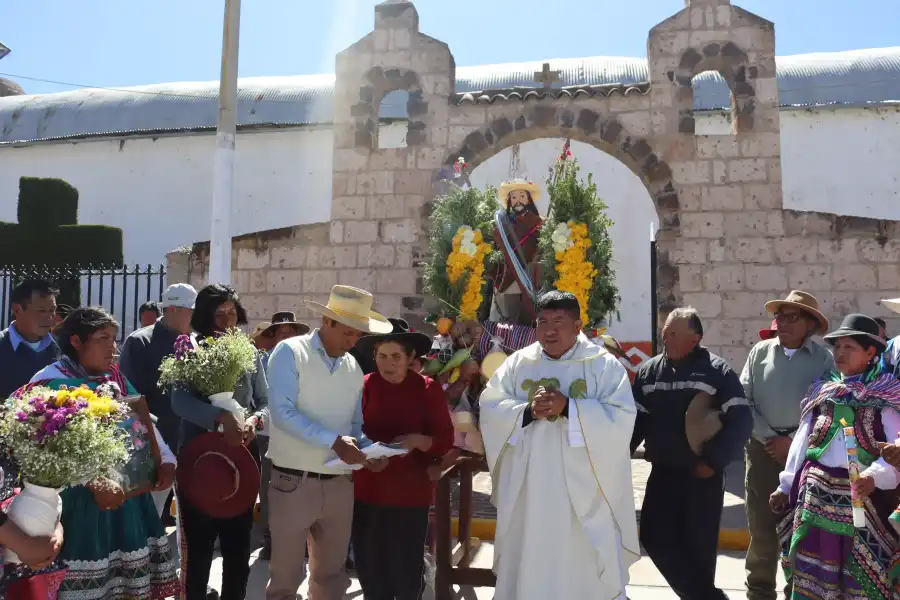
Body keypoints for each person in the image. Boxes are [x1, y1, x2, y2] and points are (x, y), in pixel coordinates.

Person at [479, 291, 640, 599]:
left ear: (578, 325)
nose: (549, 330)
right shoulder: (518, 363)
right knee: (530, 558)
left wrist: (570, 408)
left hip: (582, 492)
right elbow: (491, 406)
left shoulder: (603, 367)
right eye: (542, 322)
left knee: (580, 563)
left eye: (558, 322)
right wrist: (526, 411)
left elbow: (621, 420)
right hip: (531, 488)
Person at [26, 306, 180, 600]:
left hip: (127, 500)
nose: (113, 346)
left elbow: (142, 422)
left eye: (114, 338)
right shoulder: (47, 383)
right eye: (102, 338)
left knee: (125, 586)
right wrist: (93, 482)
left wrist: (166, 460)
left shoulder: (115, 380)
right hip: (79, 505)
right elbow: (42, 451)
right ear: (76, 341)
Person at [265, 285, 392, 600]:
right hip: (293, 481)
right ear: (328, 322)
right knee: (285, 577)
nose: (353, 341)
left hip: (339, 484)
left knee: (331, 577)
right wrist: (335, 442)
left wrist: (368, 452)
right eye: (348, 333)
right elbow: (282, 414)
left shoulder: (352, 368)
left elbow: (355, 427)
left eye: (357, 335)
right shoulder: (290, 352)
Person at [771, 314, 900, 599]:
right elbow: (803, 442)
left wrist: (873, 477)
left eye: (849, 347)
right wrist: (785, 486)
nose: (840, 353)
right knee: (813, 572)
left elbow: (896, 449)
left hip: (864, 500)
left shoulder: (887, 396)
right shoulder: (824, 390)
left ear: (870, 353)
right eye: (837, 347)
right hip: (816, 498)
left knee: (862, 576)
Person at [631, 307, 753, 600]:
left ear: (695, 338)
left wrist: (712, 461)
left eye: (674, 334)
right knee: (652, 535)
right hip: (662, 473)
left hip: (702, 475)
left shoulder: (717, 371)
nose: (666, 339)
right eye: (665, 334)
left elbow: (741, 420)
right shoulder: (649, 372)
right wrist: (616, 455)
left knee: (698, 548)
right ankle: (707, 597)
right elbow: (636, 422)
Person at [171, 284, 268, 600]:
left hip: (242, 459)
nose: (227, 320)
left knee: (238, 551)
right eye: (219, 313)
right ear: (204, 315)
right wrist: (218, 418)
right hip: (200, 460)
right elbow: (180, 402)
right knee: (199, 551)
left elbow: (264, 401)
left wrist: (254, 420)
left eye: (232, 313)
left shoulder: (249, 349)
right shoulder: (189, 347)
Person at [741, 291, 834, 600]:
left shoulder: (823, 359)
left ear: (810, 323)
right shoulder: (759, 352)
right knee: (762, 529)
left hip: (805, 456)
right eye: (780, 316)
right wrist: (769, 438)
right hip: (762, 450)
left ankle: (797, 591)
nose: (782, 322)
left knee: (801, 530)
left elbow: (827, 407)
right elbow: (744, 400)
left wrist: (793, 443)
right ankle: (759, 592)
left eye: (791, 317)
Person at [352, 318, 454, 600]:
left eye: (396, 356)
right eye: (382, 356)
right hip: (366, 490)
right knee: (371, 571)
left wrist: (418, 441)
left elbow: (445, 438)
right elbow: (351, 430)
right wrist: (366, 453)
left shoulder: (427, 389)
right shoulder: (363, 386)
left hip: (410, 496)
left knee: (406, 575)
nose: (388, 363)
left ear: (410, 358)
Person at [119, 283, 197, 518]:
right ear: (172, 309)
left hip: (190, 442)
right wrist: (155, 448)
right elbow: (130, 399)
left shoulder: (195, 342)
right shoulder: (139, 342)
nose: (195, 317)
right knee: (149, 518)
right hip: (156, 447)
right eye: (190, 311)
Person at [250, 312, 309, 561]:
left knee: (300, 485)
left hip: (298, 433)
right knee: (268, 485)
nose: (286, 337)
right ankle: (270, 538)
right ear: (273, 337)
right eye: (281, 333)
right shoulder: (260, 361)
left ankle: (300, 539)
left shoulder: (306, 361)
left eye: (290, 333)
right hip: (268, 432)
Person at [489, 178, 544, 324]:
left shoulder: (539, 223)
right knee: (507, 322)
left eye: (522, 196)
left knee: (529, 321)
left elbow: (543, 249)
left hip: (530, 281)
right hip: (508, 281)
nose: (518, 201)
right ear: (509, 201)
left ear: (528, 199)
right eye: (514, 197)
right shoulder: (501, 225)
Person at [0, 280, 60, 399]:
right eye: (41, 311)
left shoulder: (63, 348)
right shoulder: (2, 344)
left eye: (52, 310)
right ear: (17, 310)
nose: (49, 317)